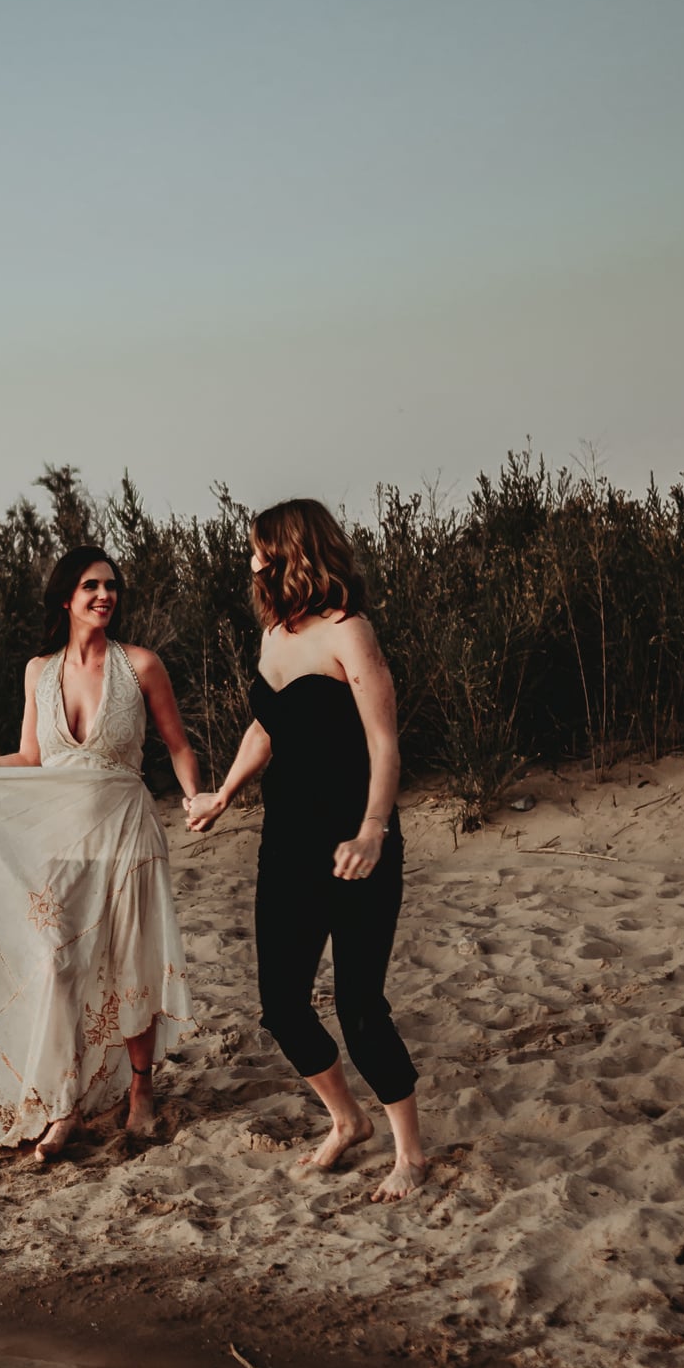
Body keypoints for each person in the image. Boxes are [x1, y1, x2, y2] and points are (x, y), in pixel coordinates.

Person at [0, 547, 201, 1162]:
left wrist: (197, 796)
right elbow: (28, 759)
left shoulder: (141, 664)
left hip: (125, 833)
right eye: (91, 586)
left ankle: (142, 1092)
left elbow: (177, 744)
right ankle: (65, 1102)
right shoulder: (38, 672)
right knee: (56, 964)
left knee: (131, 964)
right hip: (57, 842)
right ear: (66, 597)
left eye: (112, 587)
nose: (104, 596)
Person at [184, 498, 427, 1201]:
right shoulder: (275, 634)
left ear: (292, 550)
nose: (251, 559)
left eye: (260, 547)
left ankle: (409, 1153)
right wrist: (224, 793)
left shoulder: (351, 632)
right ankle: (346, 1120)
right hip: (286, 843)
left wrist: (374, 829)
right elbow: (267, 725)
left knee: (360, 1006)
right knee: (282, 1004)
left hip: (356, 841)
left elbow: (385, 744)